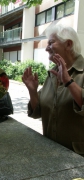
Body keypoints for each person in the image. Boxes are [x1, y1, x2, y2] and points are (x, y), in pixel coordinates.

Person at [22, 25, 84, 156]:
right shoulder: (53, 73)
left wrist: (68, 82)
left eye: (51, 42)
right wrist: (33, 92)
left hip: (77, 158)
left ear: (68, 44)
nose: (46, 48)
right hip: (50, 153)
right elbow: (38, 111)